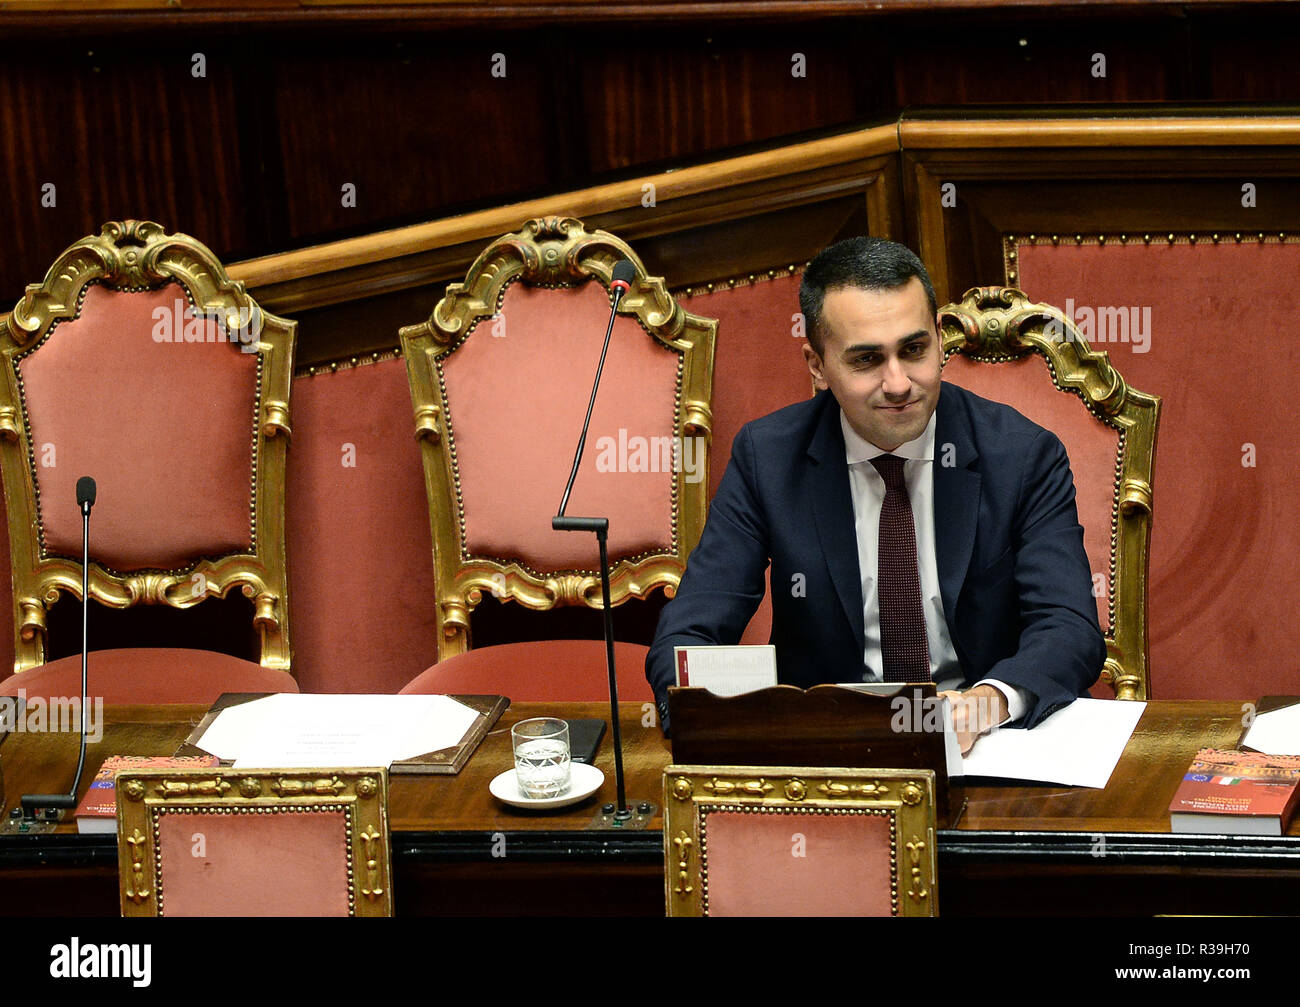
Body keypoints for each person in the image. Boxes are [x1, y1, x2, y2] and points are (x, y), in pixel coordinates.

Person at [645, 236, 1105, 752]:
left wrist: (990, 700)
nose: (898, 383)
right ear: (817, 366)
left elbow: (1068, 625)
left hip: (987, 744)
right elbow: (688, 634)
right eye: (866, 360)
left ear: (939, 341)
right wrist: (723, 722)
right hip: (830, 755)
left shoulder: (1022, 456)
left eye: (914, 350)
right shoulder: (768, 458)